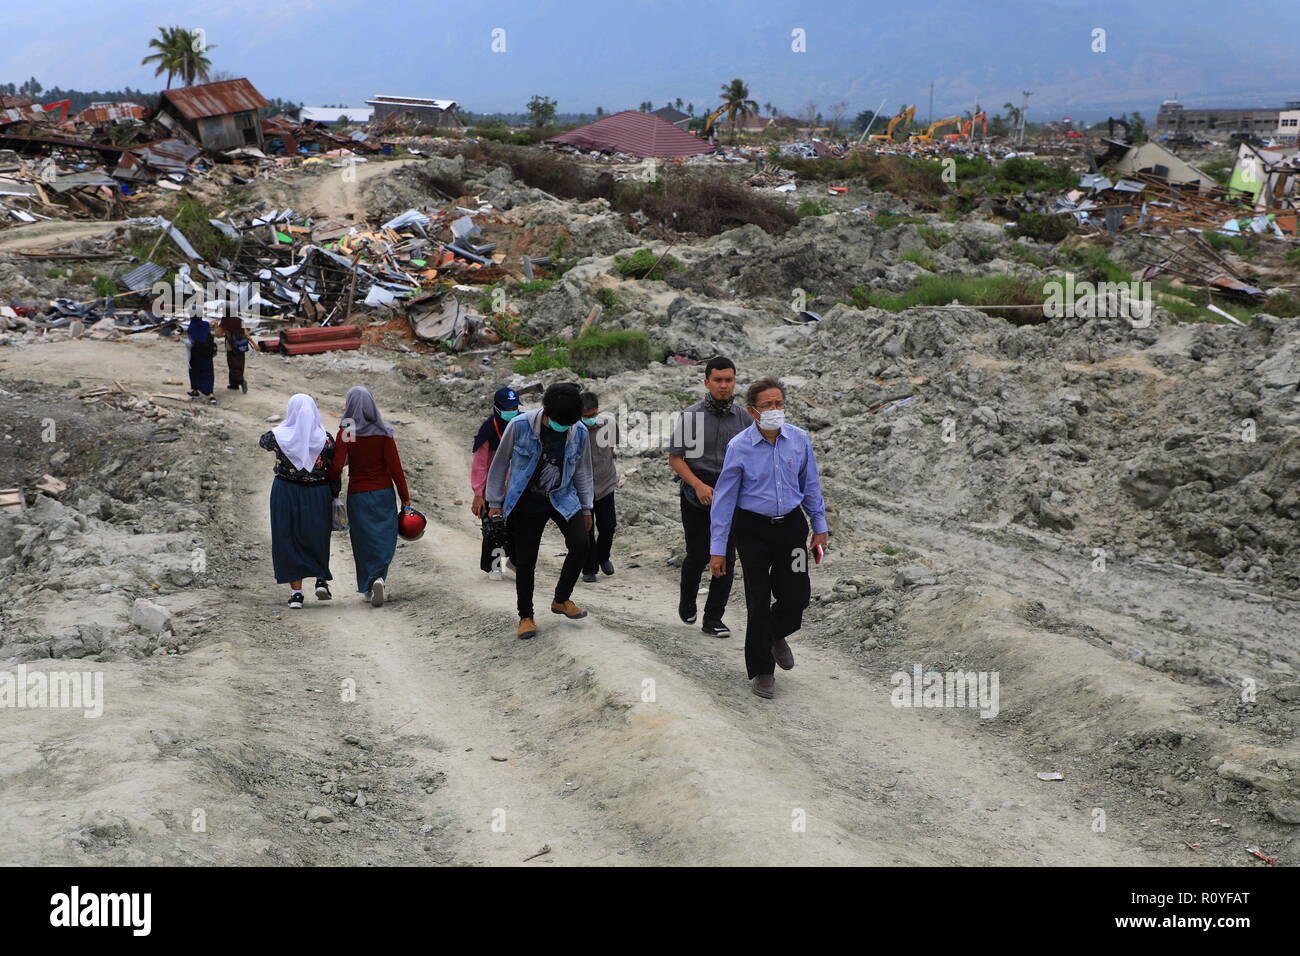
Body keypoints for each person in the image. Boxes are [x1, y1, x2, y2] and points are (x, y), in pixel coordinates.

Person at [709, 377, 828, 700]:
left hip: (791, 527)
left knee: (797, 595)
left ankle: (775, 635)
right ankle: (763, 670)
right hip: (753, 530)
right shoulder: (740, 447)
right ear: (753, 411)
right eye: (767, 406)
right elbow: (723, 501)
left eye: (779, 404)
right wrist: (718, 550)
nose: (775, 410)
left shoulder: (799, 440)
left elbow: (811, 486)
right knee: (758, 599)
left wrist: (820, 526)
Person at [485, 382, 594, 640]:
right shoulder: (520, 426)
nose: (565, 428)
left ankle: (561, 599)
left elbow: (582, 470)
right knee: (526, 562)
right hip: (526, 501)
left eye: (569, 424)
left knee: (581, 544)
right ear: (546, 411)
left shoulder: (577, 431)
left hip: (562, 496)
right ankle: (526, 616)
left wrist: (587, 507)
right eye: (560, 423)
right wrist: (495, 503)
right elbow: (500, 464)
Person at [666, 356, 749, 638]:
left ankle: (713, 618)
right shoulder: (691, 417)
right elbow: (675, 458)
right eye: (718, 380)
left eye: (729, 380)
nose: (724, 386)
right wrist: (699, 485)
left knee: (726, 556)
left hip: (732, 495)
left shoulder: (744, 418)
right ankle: (688, 599)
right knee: (699, 553)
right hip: (696, 492)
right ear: (707, 382)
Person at [327, 386, 410, 608]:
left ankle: (368, 584)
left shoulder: (348, 431)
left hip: (358, 494)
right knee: (384, 536)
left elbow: (336, 467)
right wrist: (405, 497)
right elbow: (395, 468)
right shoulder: (383, 431)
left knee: (363, 541)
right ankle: (379, 577)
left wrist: (325, 481)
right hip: (383, 493)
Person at [259, 393, 339, 609]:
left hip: (285, 491)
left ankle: (296, 593)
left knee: (287, 536)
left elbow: (262, 442)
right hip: (317, 492)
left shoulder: (275, 437)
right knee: (318, 535)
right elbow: (334, 467)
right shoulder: (327, 440)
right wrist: (335, 493)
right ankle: (321, 580)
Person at [471, 387, 522, 581]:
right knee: (494, 529)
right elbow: (480, 464)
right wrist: (479, 493)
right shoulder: (488, 430)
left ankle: (515, 561)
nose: (512, 410)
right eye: (508, 407)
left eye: (515, 406)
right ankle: (494, 566)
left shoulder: (522, 424)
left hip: (517, 486)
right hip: (493, 489)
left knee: (521, 526)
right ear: (497, 408)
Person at [579, 391, 618, 583]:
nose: (589, 419)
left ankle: (604, 557)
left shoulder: (608, 423)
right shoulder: (574, 429)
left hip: (605, 483)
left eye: (592, 415)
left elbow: (611, 448)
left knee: (608, 526)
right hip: (582, 489)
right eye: (585, 417)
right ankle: (589, 567)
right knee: (586, 529)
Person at [185, 316, 217, 405]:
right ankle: (210, 394)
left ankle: (195, 390)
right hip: (207, 352)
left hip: (196, 353)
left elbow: (190, 341)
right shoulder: (205, 324)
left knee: (194, 371)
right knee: (208, 372)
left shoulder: (192, 327)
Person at [220, 315, 250, 393]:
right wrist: (254, 344)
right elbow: (246, 333)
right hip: (241, 346)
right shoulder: (240, 320)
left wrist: (215, 326)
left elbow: (218, 334)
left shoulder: (225, 321)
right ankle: (234, 384)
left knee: (232, 365)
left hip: (232, 346)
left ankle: (241, 381)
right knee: (240, 364)